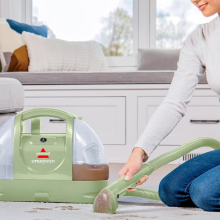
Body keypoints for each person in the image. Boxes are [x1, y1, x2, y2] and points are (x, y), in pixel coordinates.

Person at [119, 0, 220, 211]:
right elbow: (174, 102)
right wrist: (138, 154)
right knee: (171, 189)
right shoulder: (200, 38)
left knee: (205, 193)